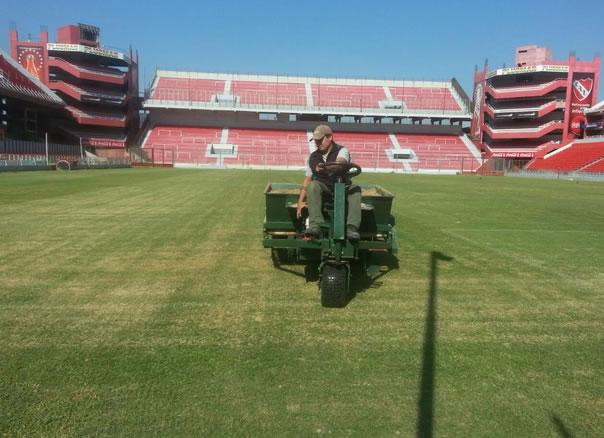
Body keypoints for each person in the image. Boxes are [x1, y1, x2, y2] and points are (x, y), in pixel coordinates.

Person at [296, 124, 361, 240]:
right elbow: (307, 179)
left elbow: (340, 163)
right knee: (313, 185)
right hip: (325, 188)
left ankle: (352, 228)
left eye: (320, 140)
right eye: (316, 141)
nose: (317, 143)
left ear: (330, 137)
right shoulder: (313, 157)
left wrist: (325, 167)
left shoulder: (342, 150)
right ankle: (315, 225)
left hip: (343, 186)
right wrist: (300, 202)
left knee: (355, 189)